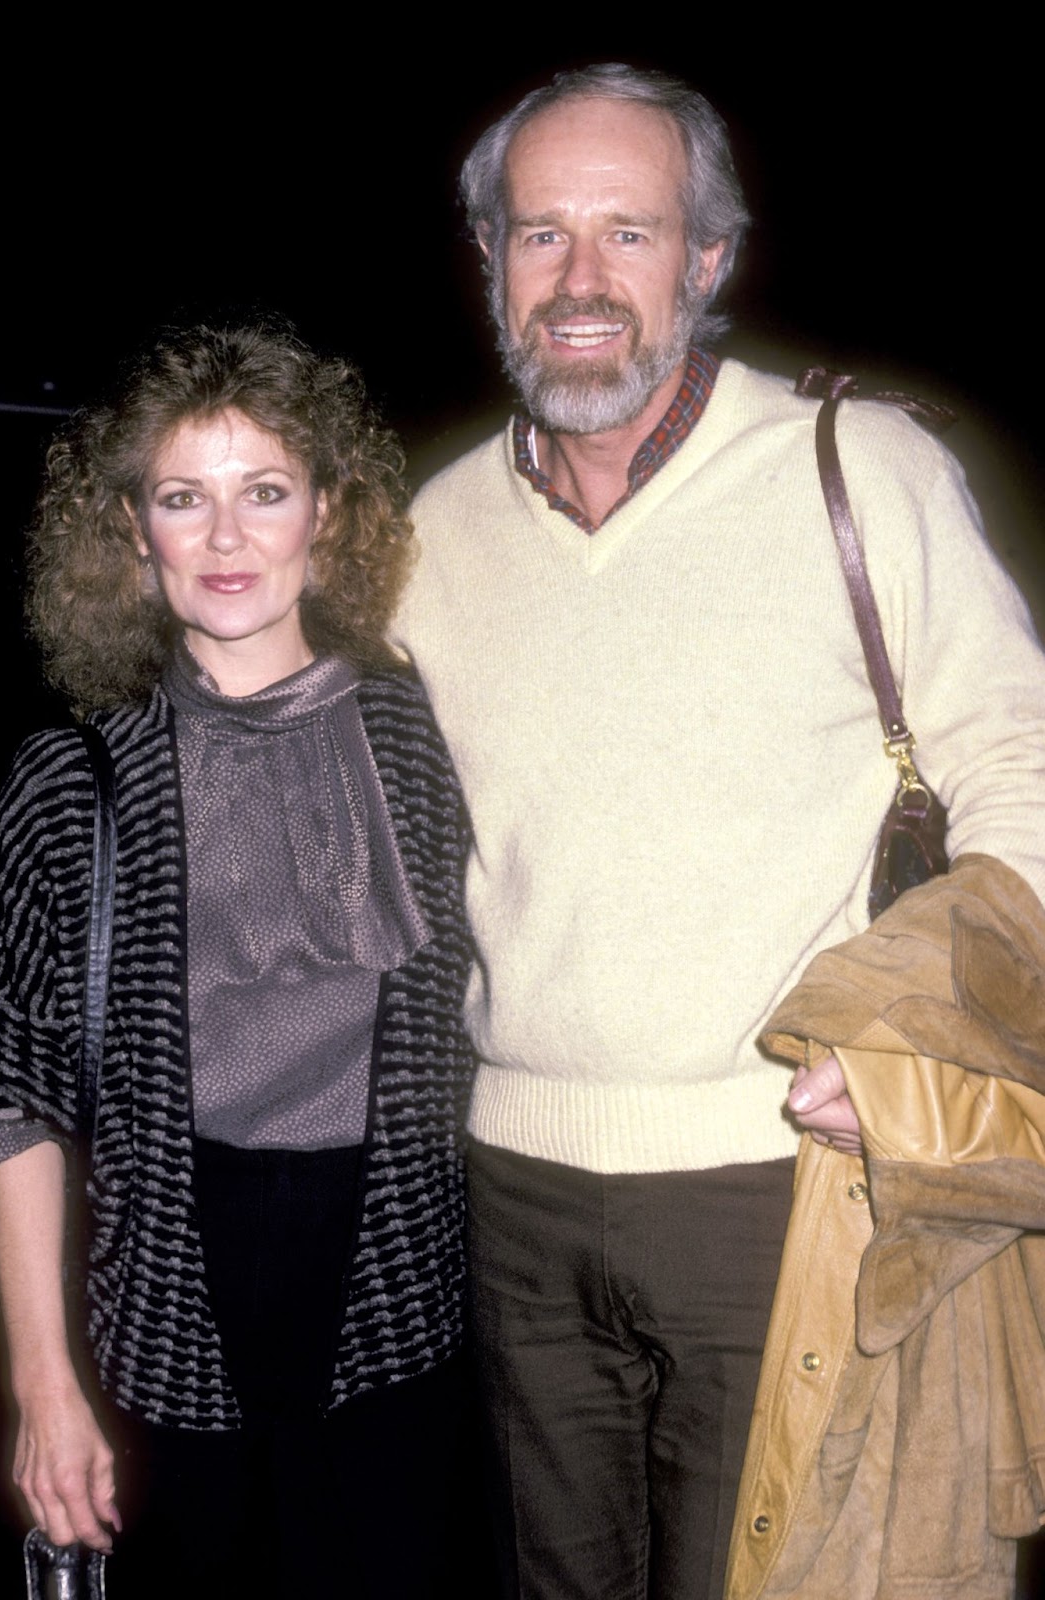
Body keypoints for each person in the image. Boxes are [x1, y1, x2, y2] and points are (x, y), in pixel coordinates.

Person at [392, 63, 1045, 1600]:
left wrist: (928, 1036)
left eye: (631, 232)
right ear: (488, 262)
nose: (581, 281)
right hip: (514, 1188)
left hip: (788, 1182)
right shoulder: (428, 536)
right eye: (540, 235)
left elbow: (1019, 751)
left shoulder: (858, 471)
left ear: (708, 260)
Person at [0, 320, 476, 1597]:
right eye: (184, 497)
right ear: (132, 531)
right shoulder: (72, 780)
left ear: (327, 515)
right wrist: (45, 1386)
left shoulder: (430, 737)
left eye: (264, 491)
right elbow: (9, 1103)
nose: (226, 539)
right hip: (166, 1290)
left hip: (405, 1290)